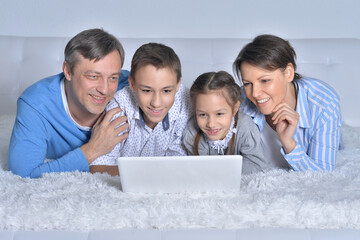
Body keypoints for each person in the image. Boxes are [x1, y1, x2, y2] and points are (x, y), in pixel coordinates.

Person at [8, 28, 130, 178]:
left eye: (113, 77)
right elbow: (23, 173)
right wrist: (93, 149)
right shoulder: (35, 104)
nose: (105, 90)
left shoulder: (132, 88)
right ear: (67, 71)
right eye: (93, 76)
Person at [233, 34, 343, 171]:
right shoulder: (239, 102)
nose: (254, 93)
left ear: (288, 73)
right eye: (247, 83)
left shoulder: (323, 102)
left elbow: (323, 176)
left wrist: (289, 143)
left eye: (265, 80)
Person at [90, 42, 191, 169]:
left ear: (178, 85)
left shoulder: (187, 103)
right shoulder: (119, 106)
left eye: (166, 91)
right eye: (147, 91)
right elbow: (99, 166)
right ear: (132, 83)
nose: (156, 103)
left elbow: (181, 164)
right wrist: (144, 176)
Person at [182, 71, 267, 174]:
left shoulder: (246, 127)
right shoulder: (192, 132)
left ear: (235, 109)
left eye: (219, 114)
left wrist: (221, 170)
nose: (211, 124)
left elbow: (256, 165)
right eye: (203, 115)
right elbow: (199, 171)